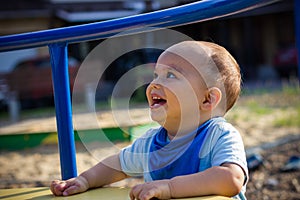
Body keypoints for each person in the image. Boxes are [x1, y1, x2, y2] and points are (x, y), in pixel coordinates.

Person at [50, 41, 248, 200]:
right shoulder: (151, 142)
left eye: (170, 75)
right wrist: (85, 180)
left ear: (207, 99)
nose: (154, 83)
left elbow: (231, 178)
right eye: (156, 75)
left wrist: (170, 187)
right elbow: (118, 164)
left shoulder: (219, 135)